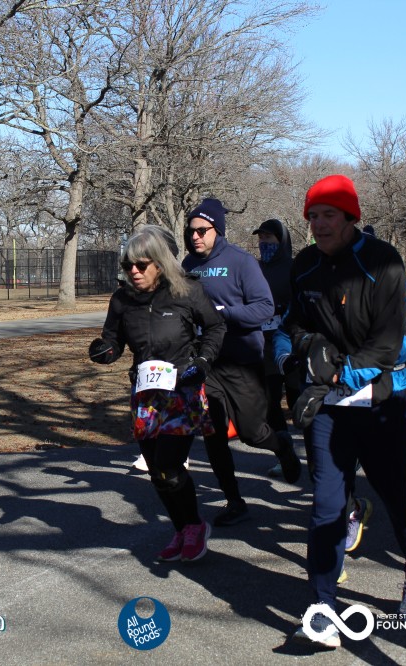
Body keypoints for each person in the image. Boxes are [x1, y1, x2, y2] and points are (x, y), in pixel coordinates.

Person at [275, 175, 406, 649]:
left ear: (350, 217)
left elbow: (387, 345)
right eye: (313, 216)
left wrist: (334, 375)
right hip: (330, 407)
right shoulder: (305, 265)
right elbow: (290, 325)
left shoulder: (382, 260)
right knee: (327, 504)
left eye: (329, 215)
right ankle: (322, 606)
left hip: (381, 400)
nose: (319, 224)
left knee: (399, 496)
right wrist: (300, 354)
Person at [88, 225, 225, 561]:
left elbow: (215, 327)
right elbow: (113, 340)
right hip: (145, 394)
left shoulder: (186, 291)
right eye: (128, 266)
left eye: (141, 265)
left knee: (169, 464)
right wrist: (104, 351)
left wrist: (203, 362)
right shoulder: (122, 300)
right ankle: (182, 529)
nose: (133, 272)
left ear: (160, 264)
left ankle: (194, 526)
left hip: (182, 390)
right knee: (157, 471)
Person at [182, 198, 301, 527]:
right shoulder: (188, 265)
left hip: (242, 360)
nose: (195, 236)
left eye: (202, 230)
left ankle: (281, 446)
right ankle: (234, 501)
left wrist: (224, 314)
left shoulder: (241, 262)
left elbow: (264, 307)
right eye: (191, 231)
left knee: (251, 432)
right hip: (207, 364)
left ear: (217, 230)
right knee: (213, 435)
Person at [251, 219, 298, 456]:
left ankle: (315, 452)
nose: (263, 243)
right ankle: (284, 452)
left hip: (291, 342)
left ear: (282, 240)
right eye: (261, 238)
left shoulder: (294, 267)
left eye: (268, 238)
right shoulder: (255, 269)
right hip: (263, 344)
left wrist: (282, 309)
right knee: (269, 402)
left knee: (297, 399)